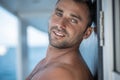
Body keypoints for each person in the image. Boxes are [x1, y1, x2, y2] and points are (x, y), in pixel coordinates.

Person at [26, 0, 95, 80]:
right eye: (59, 14)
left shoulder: (61, 74)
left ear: (87, 33)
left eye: (73, 20)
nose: (60, 24)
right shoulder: (47, 62)